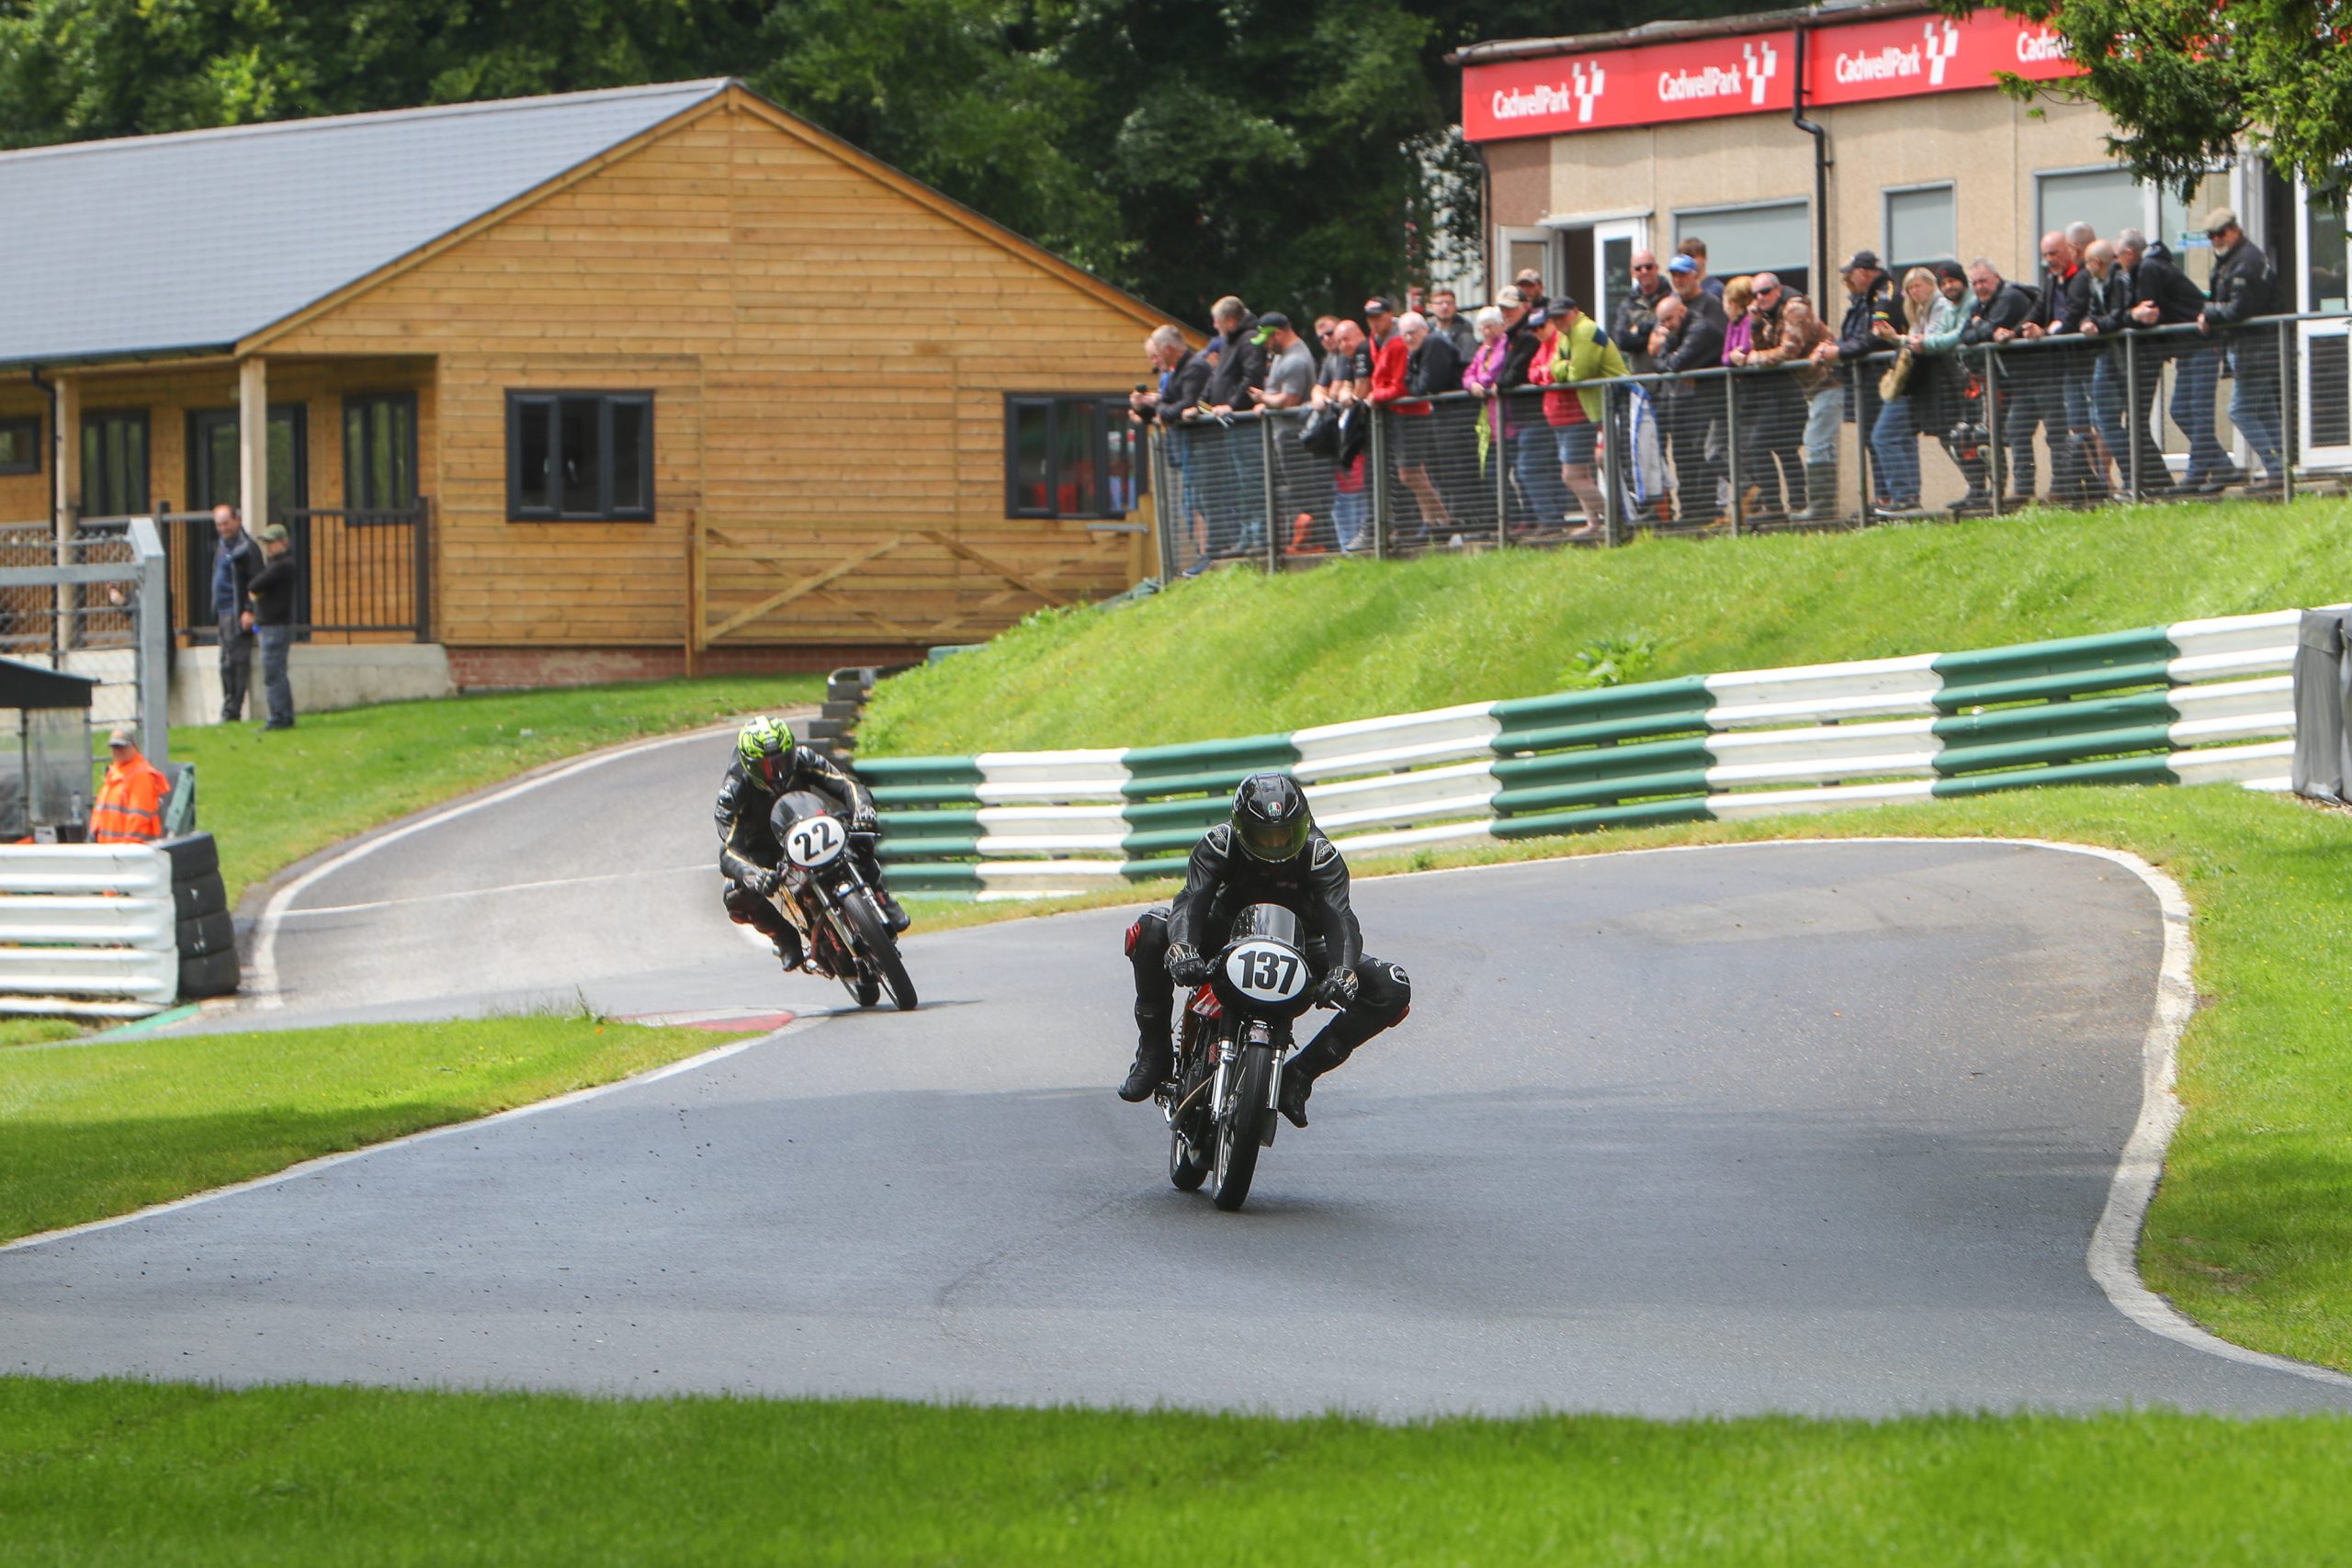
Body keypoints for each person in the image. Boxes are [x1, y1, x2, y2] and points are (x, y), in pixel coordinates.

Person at [1117, 773, 1411, 1127]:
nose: (1275, 846)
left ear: (1302, 826)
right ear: (1242, 829)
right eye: (1264, 836)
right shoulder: (1219, 842)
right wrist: (1182, 947)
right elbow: (1191, 899)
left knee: (1391, 986)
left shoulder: (1321, 856)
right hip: (1223, 935)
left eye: (1284, 835)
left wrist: (1342, 971)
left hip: (1301, 945)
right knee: (1150, 928)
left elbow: (1341, 917)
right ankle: (1154, 1051)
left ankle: (1299, 1076)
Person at [716, 716, 908, 972]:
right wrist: (753, 874)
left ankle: (879, 895)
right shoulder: (733, 791)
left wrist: (862, 808)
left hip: (812, 824)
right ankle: (783, 937)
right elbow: (729, 849)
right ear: (750, 766)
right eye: (766, 767)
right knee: (735, 894)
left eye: (782, 760)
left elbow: (846, 784)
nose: (777, 772)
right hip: (766, 850)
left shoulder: (804, 757)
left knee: (859, 833)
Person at [2199, 206, 2285, 490]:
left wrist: (2209, 313)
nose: (2216, 240)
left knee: (2240, 411)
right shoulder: (2232, 259)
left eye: (2220, 233)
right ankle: (2281, 471)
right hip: (2250, 346)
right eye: (2210, 235)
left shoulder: (2246, 261)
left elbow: (2239, 309)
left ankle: (2276, 470)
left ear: (2234, 230)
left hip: (2255, 347)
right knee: (2265, 411)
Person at [2120, 226, 2209, 493]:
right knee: (2181, 410)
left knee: (2194, 412)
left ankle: (2199, 473)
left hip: (2201, 344)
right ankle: (2218, 464)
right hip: (2188, 347)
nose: (2117, 262)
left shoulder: (2148, 269)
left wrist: (2131, 314)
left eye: (2118, 256)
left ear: (2128, 253)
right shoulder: (2152, 266)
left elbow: (2150, 313)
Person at [1812, 250, 1904, 508]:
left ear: (1863, 272)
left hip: (1881, 378)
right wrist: (1829, 347)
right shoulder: (1864, 299)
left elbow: (1873, 338)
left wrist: (1838, 351)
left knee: (1881, 437)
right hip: (1862, 379)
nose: (1848, 281)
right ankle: (1883, 496)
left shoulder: (1884, 294)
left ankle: (1893, 496)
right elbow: (1855, 336)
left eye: (1850, 275)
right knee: (1870, 438)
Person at [1957, 258, 2042, 505]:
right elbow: (1966, 336)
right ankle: (2024, 491)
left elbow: (1983, 331)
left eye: (1983, 281)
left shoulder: (2010, 296)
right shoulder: (1981, 304)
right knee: (2016, 431)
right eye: (1974, 283)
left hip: (2043, 374)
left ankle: (2070, 486)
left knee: (2058, 433)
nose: (1979, 287)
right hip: (2021, 383)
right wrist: (1982, 327)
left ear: (1996, 278)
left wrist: (1980, 325)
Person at [1542, 292, 1624, 540]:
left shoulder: (1585, 330)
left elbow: (1579, 373)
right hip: (1596, 410)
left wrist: (1563, 367)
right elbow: (1554, 369)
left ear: (1575, 311)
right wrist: (1564, 367)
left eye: (1561, 316)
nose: (1557, 322)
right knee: (1592, 466)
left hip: (1615, 404)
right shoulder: (1565, 335)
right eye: (1553, 318)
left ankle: (1617, 522)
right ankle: (1599, 523)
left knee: (1588, 468)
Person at [1396, 309, 1464, 540]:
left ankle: (1451, 524)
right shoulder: (1418, 351)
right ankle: (1439, 522)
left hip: (1456, 417)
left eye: (1412, 333)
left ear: (1425, 330)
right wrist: (1413, 380)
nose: (1407, 338)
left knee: (1453, 473)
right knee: (1426, 473)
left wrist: (1413, 380)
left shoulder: (1434, 343)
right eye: (1403, 334)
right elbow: (1412, 383)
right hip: (1440, 418)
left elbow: (1424, 386)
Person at [244, 522, 299, 732]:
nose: (267, 547)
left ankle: (279, 717)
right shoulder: (280, 565)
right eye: (265, 543)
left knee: (273, 673)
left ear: (283, 542)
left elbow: (254, 585)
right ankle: (283, 715)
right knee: (277, 672)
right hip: (273, 626)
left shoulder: (281, 565)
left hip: (274, 627)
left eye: (271, 543)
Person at [209, 503, 261, 723]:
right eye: (219, 524)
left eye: (226, 523)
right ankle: (229, 705)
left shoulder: (247, 548)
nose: (223, 528)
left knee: (236, 661)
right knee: (225, 662)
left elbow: (257, 582)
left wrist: (249, 611)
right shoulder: (222, 546)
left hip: (237, 612)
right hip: (222, 612)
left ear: (237, 520)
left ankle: (232, 710)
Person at [89, 726, 169, 844]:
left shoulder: (141, 776)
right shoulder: (115, 772)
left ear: (134, 747)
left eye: (122, 747)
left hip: (129, 853)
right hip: (110, 850)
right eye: (114, 747)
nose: (117, 751)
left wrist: (127, 851)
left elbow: (138, 818)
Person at [1611, 250, 1670, 372]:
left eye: (1648, 267)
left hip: (1669, 379)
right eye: (1638, 268)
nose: (1644, 271)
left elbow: (1674, 333)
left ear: (1656, 268)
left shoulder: (1671, 299)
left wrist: (1638, 330)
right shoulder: (1627, 306)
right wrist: (1655, 333)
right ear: (1632, 272)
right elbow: (1622, 341)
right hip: (1641, 382)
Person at [1430, 288, 1477, 359]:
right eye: (1440, 303)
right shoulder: (1425, 333)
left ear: (1455, 306)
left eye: (1449, 303)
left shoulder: (1465, 336)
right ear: (1431, 307)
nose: (1445, 306)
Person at [1678, 236, 1725, 300]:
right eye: (1685, 258)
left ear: (1704, 258)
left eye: (1692, 256)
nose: (1688, 261)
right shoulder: (1678, 291)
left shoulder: (1716, 289)